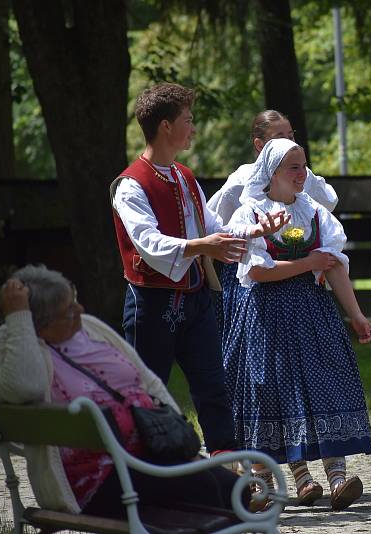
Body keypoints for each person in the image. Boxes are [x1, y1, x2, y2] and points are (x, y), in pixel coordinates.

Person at [0, 265, 250, 518]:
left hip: (149, 452)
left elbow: (149, 381)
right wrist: (19, 320)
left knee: (235, 488)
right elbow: (25, 387)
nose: (80, 309)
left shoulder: (88, 329)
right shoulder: (11, 349)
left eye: (74, 300)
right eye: (68, 311)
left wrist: (179, 441)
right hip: (98, 478)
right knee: (212, 490)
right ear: (39, 325)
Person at [110, 83, 287, 456]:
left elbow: (211, 227)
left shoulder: (184, 176)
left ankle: (232, 477)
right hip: (152, 305)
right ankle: (146, 475)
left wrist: (255, 229)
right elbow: (149, 243)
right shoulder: (130, 186)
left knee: (213, 388)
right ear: (165, 127)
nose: (193, 128)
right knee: (148, 390)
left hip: (195, 299)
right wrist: (201, 247)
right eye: (187, 120)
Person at [223, 138, 371, 511]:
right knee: (277, 393)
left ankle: (338, 479)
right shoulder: (251, 214)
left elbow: (334, 264)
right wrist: (309, 264)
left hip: (312, 314)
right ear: (271, 173)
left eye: (303, 165)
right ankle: (302, 479)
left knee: (325, 384)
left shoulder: (315, 213)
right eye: (293, 166)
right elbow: (257, 271)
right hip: (267, 318)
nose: (301, 173)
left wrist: (355, 314)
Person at [207, 109, 338, 340]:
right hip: (252, 275)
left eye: (291, 135)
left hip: (302, 278)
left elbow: (328, 202)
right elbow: (218, 222)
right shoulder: (241, 180)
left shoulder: (302, 174)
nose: (288, 142)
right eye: (280, 137)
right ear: (260, 144)